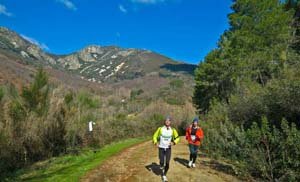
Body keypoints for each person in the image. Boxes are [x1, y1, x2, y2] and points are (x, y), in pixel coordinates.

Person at [153, 116, 180, 182]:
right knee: (162, 162)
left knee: (167, 163)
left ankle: (164, 175)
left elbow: (177, 137)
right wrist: (155, 142)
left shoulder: (173, 130)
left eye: (169, 120)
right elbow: (155, 136)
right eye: (166, 120)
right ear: (164, 122)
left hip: (168, 148)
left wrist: (173, 142)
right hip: (161, 148)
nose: (167, 122)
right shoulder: (160, 129)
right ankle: (161, 166)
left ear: (170, 122)